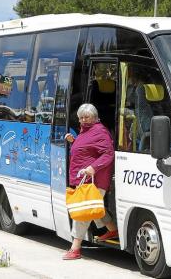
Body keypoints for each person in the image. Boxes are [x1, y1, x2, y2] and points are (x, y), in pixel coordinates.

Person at [63, 103, 118, 260]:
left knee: (83, 213)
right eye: (80, 118)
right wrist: (74, 141)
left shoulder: (100, 132)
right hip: (84, 178)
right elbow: (87, 149)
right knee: (93, 206)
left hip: (94, 179)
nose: (83, 121)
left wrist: (93, 168)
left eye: (86, 117)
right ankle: (112, 229)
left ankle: (75, 248)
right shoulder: (85, 130)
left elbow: (108, 154)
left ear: (95, 117)